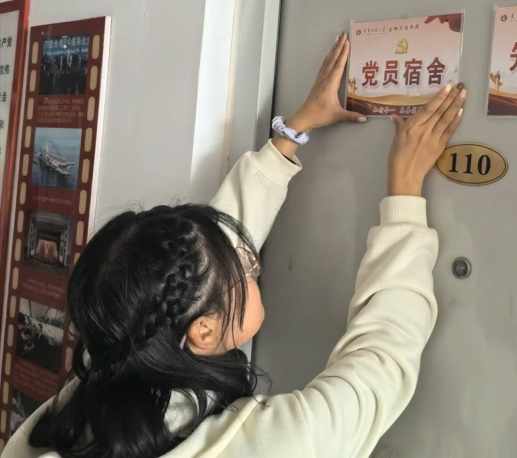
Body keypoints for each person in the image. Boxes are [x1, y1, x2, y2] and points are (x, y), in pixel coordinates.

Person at [4, 33, 466, 458]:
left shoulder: (95, 387)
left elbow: (196, 265)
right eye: (245, 269)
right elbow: (379, 364)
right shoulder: (264, 446)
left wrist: (291, 134)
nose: (252, 264)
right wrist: (405, 194)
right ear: (203, 332)